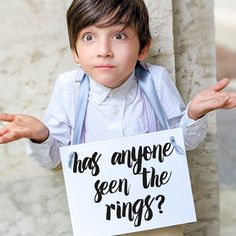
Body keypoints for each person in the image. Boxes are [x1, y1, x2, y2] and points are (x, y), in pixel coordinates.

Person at [0, 0, 236, 235]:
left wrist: (194, 113)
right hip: (98, 216)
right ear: (75, 52)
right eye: (89, 37)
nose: (104, 50)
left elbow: (180, 144)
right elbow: (54, 160)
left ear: (143, 49)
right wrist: (41, 136)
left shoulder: (156, 80)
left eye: (119, 36)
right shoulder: (67, 88)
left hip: (157, 214)